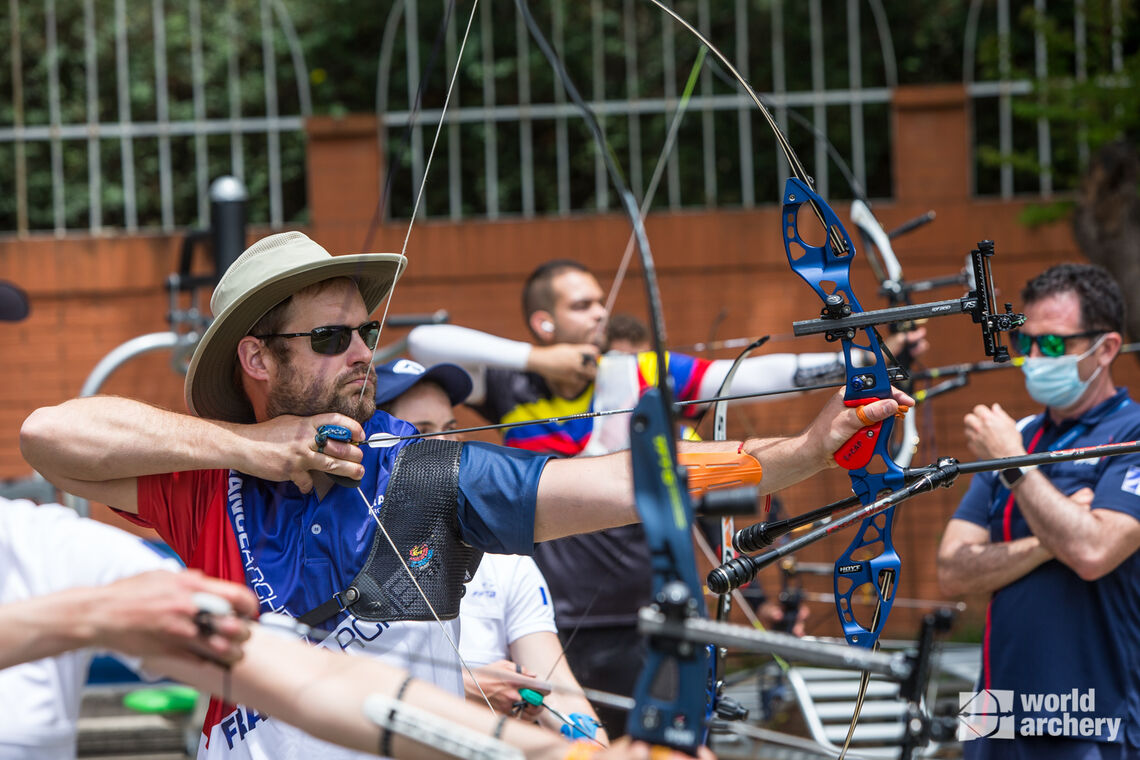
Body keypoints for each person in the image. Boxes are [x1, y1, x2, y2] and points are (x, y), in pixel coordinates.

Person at [20, 231, 908, 759]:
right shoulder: (208, 483)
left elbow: (626, 482)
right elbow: (51, 436)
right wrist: (252, 446)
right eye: (331, 336)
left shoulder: (427, 469)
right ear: (258, 359)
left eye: (365, 331)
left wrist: (798, 451)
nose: (363, 351)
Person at [406, 261, 877, 732]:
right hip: (545, 619)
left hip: (640, 613)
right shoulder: (511, 384)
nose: (599, 314)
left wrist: (859, 362)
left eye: (600, 303)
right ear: (543, 322)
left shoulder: (637, 372)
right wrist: (538, 361)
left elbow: (739, 379)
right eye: (582, 305)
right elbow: (424, 342)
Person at [936, 263, 1140, 759]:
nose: (1031, 359)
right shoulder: (1018, 436)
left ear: (1107, 348)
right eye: (1025, 343)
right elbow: (951, 570)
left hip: (1092, 713)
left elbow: (1093, 551)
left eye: (1051, 345)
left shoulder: (1131, 436)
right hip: (992, 711)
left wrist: (1017, 469)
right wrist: (1053, 540)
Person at [374, 358, 607, 742]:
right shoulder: (345, 548)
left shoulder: (506, 563)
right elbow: (330, 678)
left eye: (450, 429)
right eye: (420, 432)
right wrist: (460, 685)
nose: (445, 447)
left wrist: (599, 749)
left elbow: (558, 690)